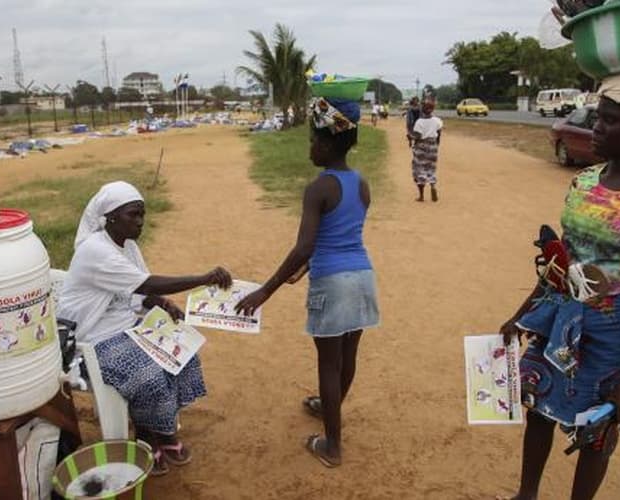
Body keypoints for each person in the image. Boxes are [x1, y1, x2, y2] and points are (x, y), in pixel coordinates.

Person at [499, 70, 620, 500]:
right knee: (539, 410)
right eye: (598, 117)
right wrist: (521, 317)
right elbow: (559, 262)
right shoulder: (584, 181)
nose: (596, 127)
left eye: (609, 120)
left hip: (613, 330)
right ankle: (525, 494)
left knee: (596, 432)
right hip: (561, 312)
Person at [235, 97, 379, 468]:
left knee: (328, 365)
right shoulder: (361, 183)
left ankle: (332, 446)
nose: (310, 148)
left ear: (329, 144)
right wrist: (306, 266)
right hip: (363, 277)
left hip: (331, 283)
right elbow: (344, 233)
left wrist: (266, 289)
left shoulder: (319, 188)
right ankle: (328, 408)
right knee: (347, 357)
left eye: (313, 141)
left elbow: (306, 246)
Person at [57, 181, 233, 476]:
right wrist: (204, 278)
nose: (140, 222)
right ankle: (145, 439)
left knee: (181, 355)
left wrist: (161, 304)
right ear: (110, 217)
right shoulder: (94, 251)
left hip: (126, 326)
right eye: (132, 215)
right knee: (148, 375)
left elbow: (136, 292)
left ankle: (163, 432)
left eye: (142, 214)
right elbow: (145, 283)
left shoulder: (128, 247)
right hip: (93, 339)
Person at [409, 99, 443, 202]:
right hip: (433, 146)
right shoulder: (438, 120)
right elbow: (439, 133)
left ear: (422, 109)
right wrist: (437, 144)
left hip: (421, 147)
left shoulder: (419, 122)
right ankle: (432, 185)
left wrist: (410, 136)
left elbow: (418, 136)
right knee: (431, 168)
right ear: (432, 109)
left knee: (419, 169)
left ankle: (421, 196)